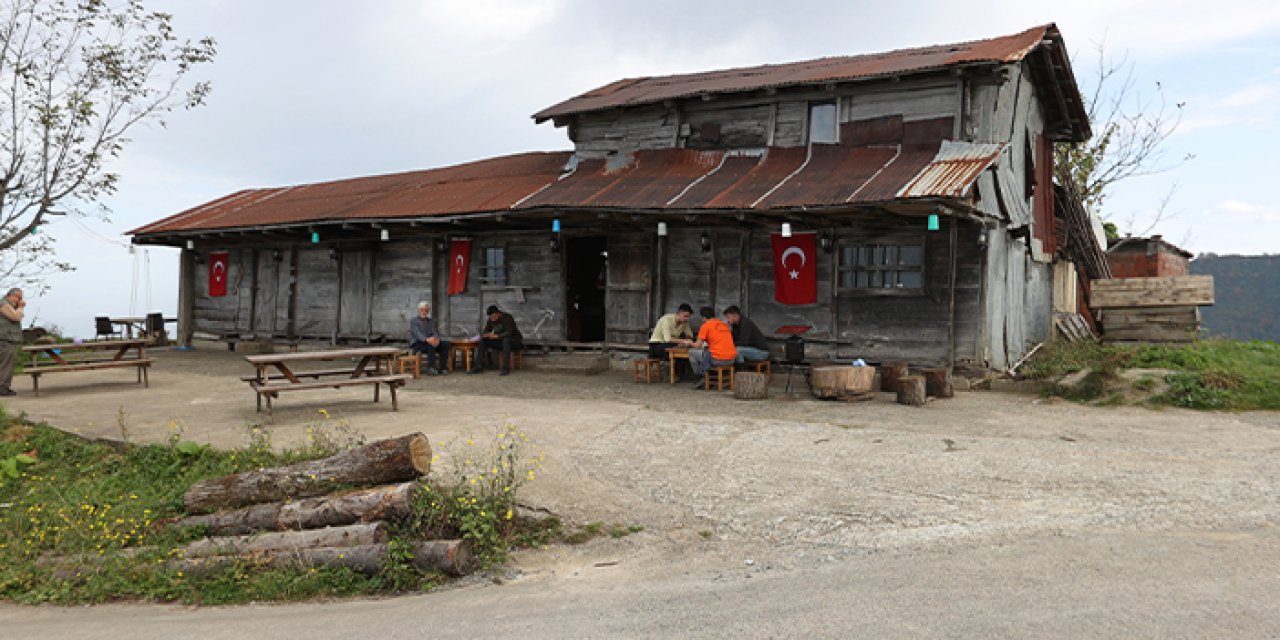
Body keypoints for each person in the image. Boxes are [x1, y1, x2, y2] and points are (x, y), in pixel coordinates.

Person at [688, 306, 736, 389]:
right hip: (732, 359)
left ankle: (701, 376)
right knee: (707, 352)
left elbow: (698, 345)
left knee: (691, 352)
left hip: (718, 359)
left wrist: (689, 342)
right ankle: (709, 376)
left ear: (703, 318)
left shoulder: (706, 326)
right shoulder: (723, 325)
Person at [471, 305, 523, 376]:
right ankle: (478, 366)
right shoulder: (490, 320)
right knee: (483, 341)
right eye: (491, 317)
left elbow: (509, 332)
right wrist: (486, 334)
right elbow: (486, 330)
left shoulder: (507, 317)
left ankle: (505, 368)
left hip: (514, 341)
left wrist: (497, 336)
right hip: (501, 342)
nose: (492, 319)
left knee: (506, 340)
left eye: (494, 317)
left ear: (498, 313)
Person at [408, 302, 450, 375]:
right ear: (418, 310)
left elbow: (434, 332)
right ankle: (431, 367)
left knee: (445, 344)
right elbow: (417, 333)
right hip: (417, 342)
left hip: (430, 341)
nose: (424, 312)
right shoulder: (414, 321)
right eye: (422, 310)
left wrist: (436, 339)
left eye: (426, 310)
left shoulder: (431, 321)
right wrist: (427, 339)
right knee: (430, 346)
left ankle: (443, 368)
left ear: (428, 311)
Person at [0, 288, 24, 397]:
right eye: (18, 298)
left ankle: (4, 387)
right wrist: (21, 308)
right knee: (6, 365)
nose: (19, 300)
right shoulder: (3, 304)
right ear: (11, 296)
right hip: (5, 340)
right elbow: (15, 317)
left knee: (7, 364)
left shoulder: (10, 306)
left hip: (8, 339)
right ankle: (3, 388)